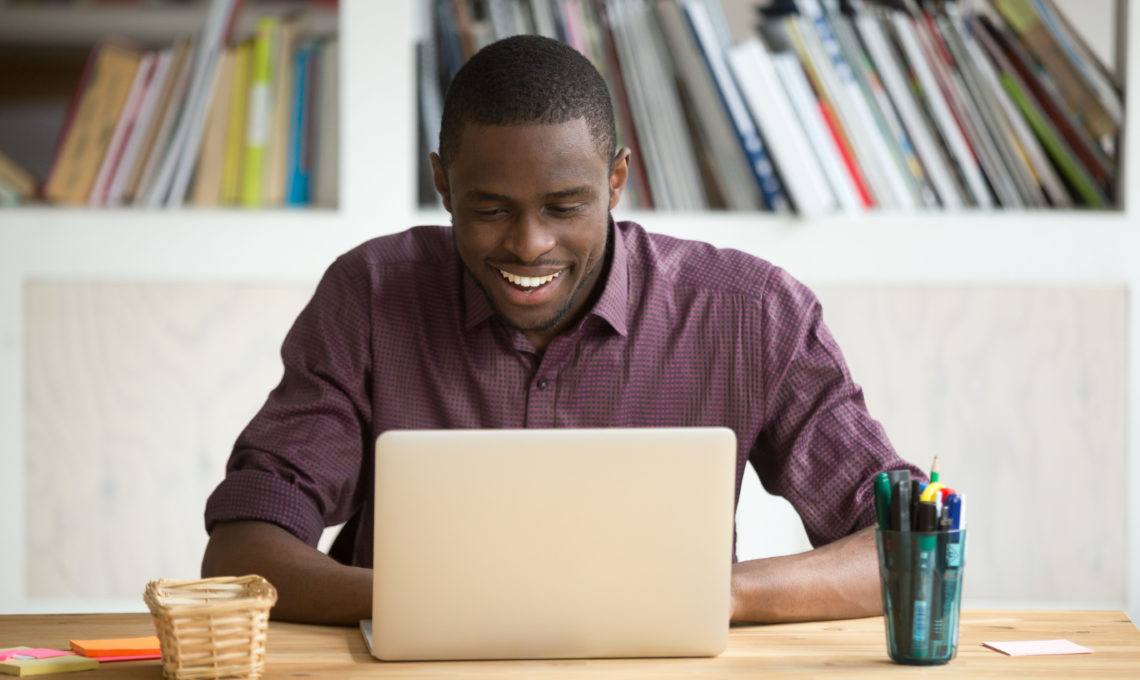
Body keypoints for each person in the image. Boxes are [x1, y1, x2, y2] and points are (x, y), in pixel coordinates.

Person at [202, 34, 924, 625]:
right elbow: (242, 548)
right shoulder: (369, 296)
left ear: (616, 180)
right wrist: (421, 607)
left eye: (565, 205)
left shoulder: (750, 312)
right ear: (443, 184)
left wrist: (713, 594)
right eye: (488, 210)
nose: (528, 245)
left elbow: (910, 544)